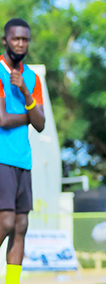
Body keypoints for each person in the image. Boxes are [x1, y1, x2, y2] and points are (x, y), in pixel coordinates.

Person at [0, 18, 46, 284]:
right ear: (5, 40)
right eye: (15, 38)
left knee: (21, 227)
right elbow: (3, 119)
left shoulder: (32, 78)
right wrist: (30, 114)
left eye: (25, 39)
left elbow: (40, 125)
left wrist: (25, 92)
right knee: (5, 223)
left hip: (23, 160)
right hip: (2, 159)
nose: (20, 43)